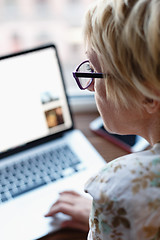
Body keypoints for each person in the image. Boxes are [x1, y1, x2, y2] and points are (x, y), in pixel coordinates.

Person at [45, 0, 160, 239]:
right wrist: (115, 221)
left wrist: (113, 210)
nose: (89, 88)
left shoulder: (123, 188)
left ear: (149, 96)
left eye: (94, 71)